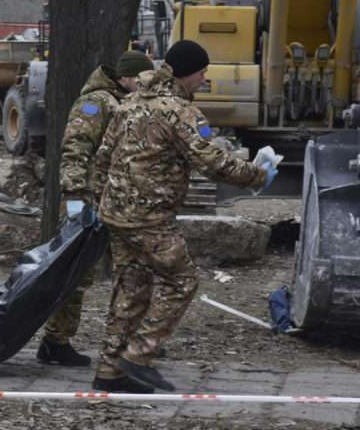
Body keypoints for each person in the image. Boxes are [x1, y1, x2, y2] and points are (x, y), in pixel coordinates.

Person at [91, 40, 277, 393]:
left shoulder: (130, 102)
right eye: (203, 72)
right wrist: (258, 175)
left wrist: (106, 198)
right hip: (149, 217)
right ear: (188, 72)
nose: (205, 79)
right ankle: (137, 357)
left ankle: (109, 372)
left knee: (132, 289)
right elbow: (213, 162)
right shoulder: (179, 111)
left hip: (117, 213)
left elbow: (103, 155)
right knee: (182, 281)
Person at [37, 50, 153, 367]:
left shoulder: (123, 103)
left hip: (113, 202)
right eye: (142, 78)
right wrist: (75, 197)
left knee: (131, 271)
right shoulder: (95, 103)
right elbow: (75, 148)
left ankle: (129, 339)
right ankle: (55, 341)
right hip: (87, 200)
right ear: (126, 77)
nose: (146, 85)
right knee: (78, 273)